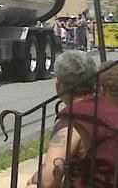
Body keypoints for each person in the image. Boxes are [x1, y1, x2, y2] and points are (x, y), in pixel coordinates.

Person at [26, 50, 117, 188]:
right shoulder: (108, 108)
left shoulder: (73, 119)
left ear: (58, 85)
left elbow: (48, 181)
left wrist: (36, 178)